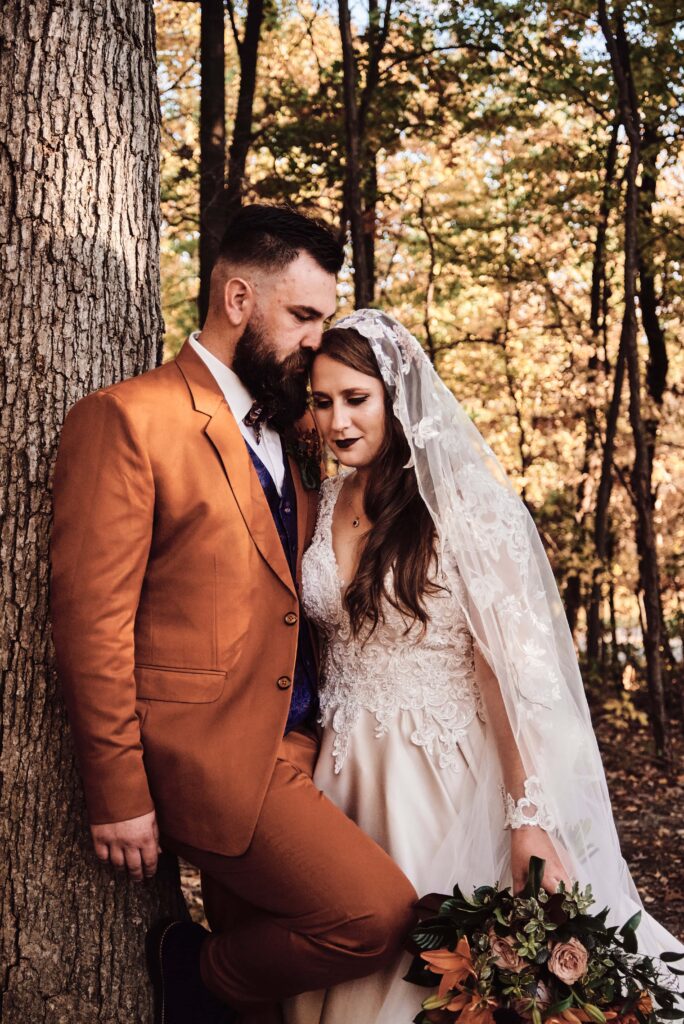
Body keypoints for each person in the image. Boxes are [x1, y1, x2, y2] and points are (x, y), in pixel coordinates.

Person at [50, 211, 417, 1024]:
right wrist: (117, 793)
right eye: (304, 316)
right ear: (240, 296)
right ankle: (195, 972)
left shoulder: (295, 423)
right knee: (375, 916)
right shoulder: (128, 420)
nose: (320, 340)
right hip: (210, 760)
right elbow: (90, 624)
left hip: (307, 745)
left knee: (286, 1007)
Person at [284, 308, 684, 1024]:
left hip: (438, 779)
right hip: (338, 780)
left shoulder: (464, 506)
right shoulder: (329, 496)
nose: (337, 420)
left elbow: (511, 673)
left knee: (431, 974)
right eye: (322, 401)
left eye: (356, 399)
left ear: (396, 400)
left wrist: (527, 817)